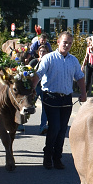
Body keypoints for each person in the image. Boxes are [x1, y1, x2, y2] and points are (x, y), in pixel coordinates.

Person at [34, 32, 87, 170]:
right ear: (58, 42)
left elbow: (80, 77)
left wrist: (83, 93)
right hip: (51, 97)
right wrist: (31, 91)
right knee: (55, 127)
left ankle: (57, 158)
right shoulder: (49, 58)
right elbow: (38, 74)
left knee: (63, 129)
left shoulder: (73, 60)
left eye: (69, 43)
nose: (67, 45)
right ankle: (48, 156)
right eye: (65, 42)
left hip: (66, 98)